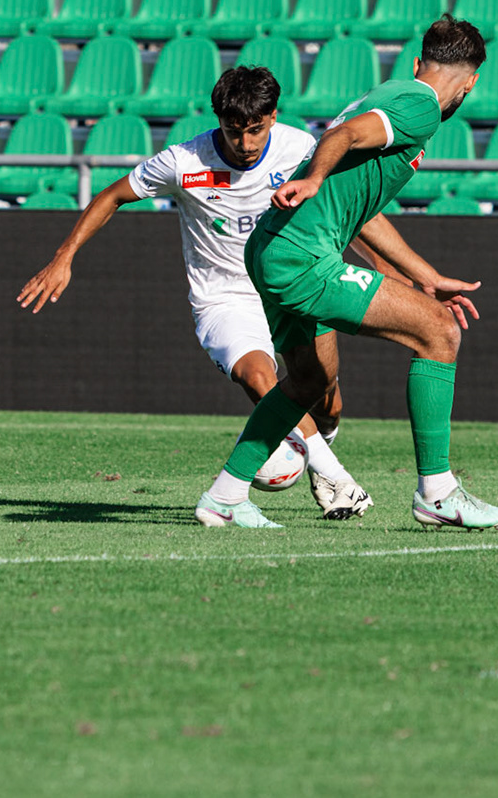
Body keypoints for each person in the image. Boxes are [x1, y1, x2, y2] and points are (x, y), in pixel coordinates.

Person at [195, 15, 498, 531]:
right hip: (302, 256)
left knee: (308, 381)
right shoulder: (421, 105)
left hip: (272, 247)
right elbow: (342, 135)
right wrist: (313, 179)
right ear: (471, 82)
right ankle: (438, 493)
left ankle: (224, 497)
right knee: (440, 331)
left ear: (418, 62)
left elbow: (360, 207)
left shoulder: (389, 93)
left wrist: (425, 275)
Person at [19, 67, 374, 520]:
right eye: (233, 130)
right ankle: (336, 479)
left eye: (256, 130)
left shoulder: (301, 150)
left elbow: (343, 213)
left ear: (273, 116)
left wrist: (385, 265)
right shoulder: (185, 161)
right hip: (224, 297)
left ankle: (315, 445)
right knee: (258, 377)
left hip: (290, 285)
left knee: (326, 399)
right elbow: (112, 196)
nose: (244, 143)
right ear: (218, 120)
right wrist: (64, 256)